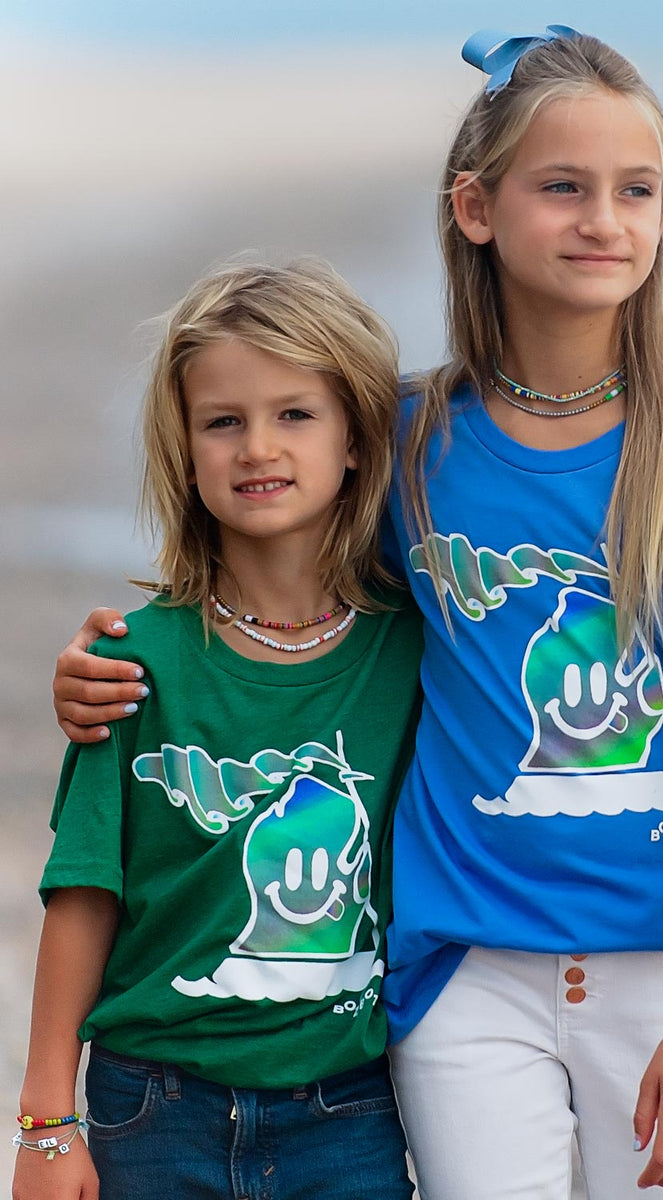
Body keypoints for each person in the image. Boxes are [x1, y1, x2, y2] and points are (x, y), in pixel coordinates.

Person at [48, 27, 663, 1200]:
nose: (604, 218)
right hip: (464, 977)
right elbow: (275, 594)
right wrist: (103, 667)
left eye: (635, 190)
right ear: (475, 207)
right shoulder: (406, 442)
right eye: (564, 186)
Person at [15, 262, 422, 1200]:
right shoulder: (133, 662)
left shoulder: (415, 653)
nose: (256, 448)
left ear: (358, 439)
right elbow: (83, 894)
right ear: (185, 449)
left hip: (350, 1113)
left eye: (294, 414)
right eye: (223, 421)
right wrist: (45, 1123)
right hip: (151, 1107)